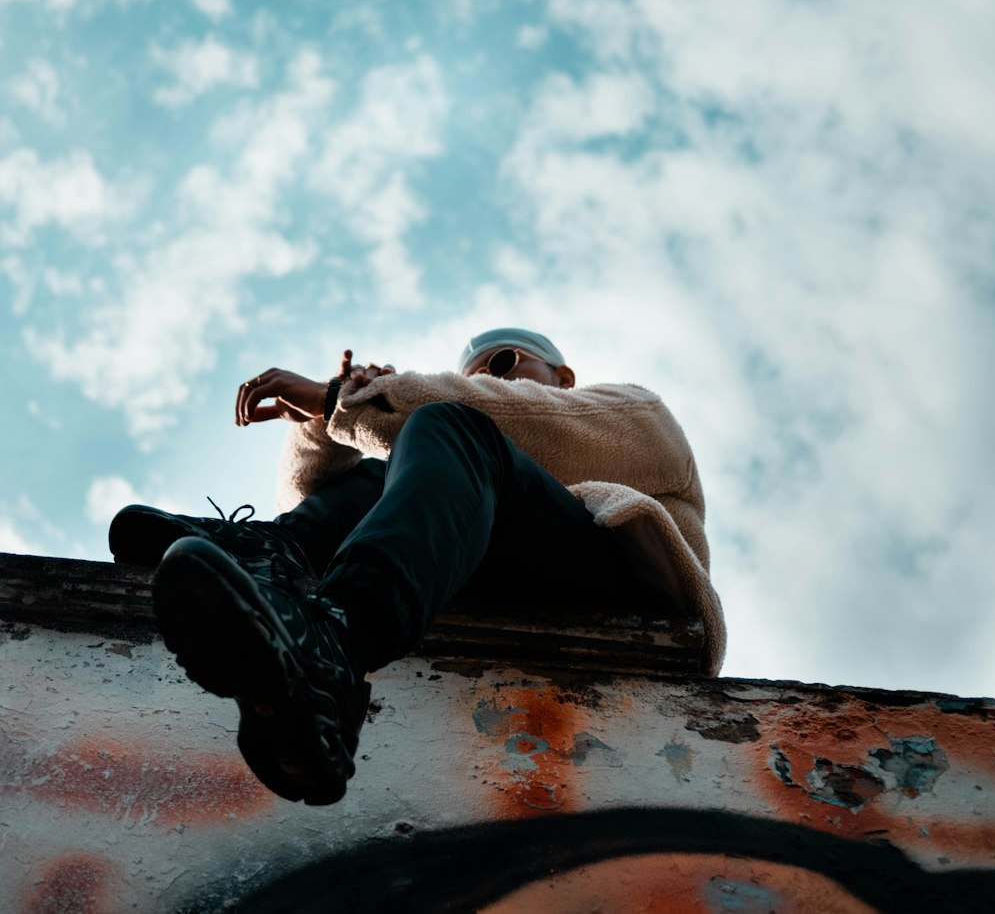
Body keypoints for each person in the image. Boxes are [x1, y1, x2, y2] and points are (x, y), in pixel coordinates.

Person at [110, 328, 725, 807]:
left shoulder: (635, 412)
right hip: (497, 573)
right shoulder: (474, 449)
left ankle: (339, 644)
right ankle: (274, 554)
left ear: (561, 376)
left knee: (448, 428)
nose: (486, 375)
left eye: (504, 363)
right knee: (398, 467)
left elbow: (520, 421)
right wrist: (323, 431)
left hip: (620, 587)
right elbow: (327, 498)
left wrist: (350, 402)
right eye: (475, 372)